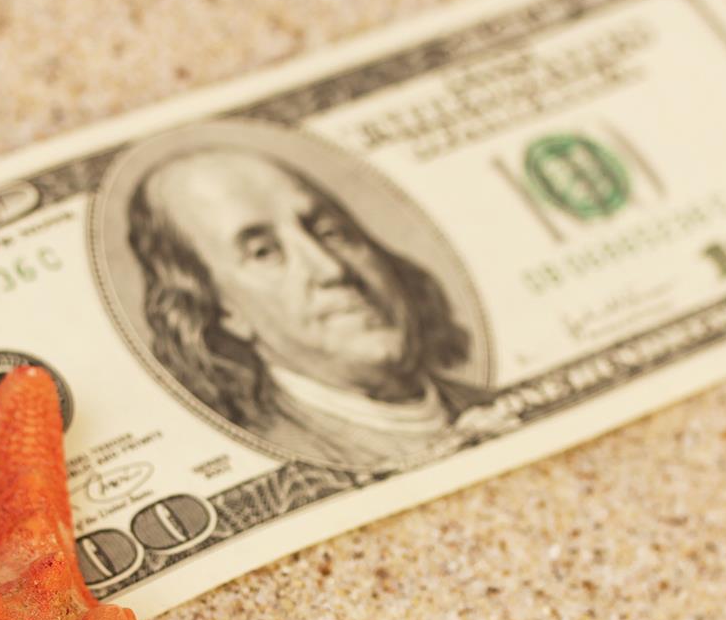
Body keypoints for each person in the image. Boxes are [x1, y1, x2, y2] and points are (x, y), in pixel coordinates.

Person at [126, 147, 489, 470]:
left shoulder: (492, 405)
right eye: (264, 253)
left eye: (331, 232)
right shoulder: (278, 452)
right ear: (223, 311)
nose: (332, 268)